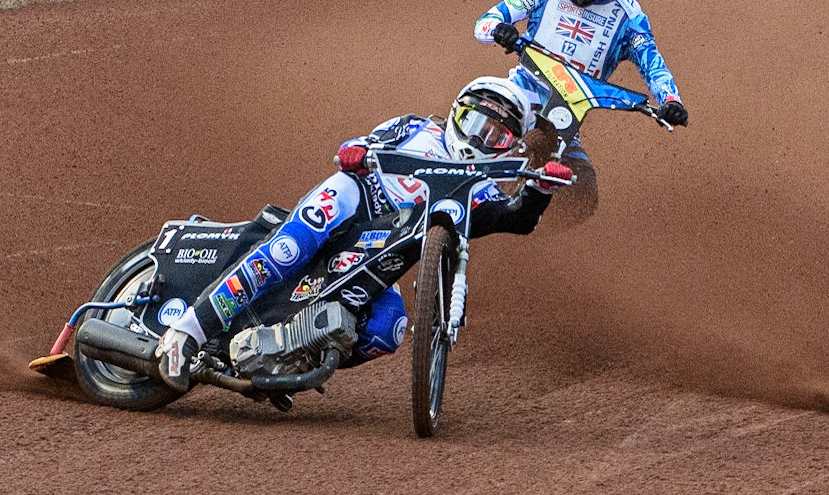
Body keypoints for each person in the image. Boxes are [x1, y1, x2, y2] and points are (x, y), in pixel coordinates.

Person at [155, 77, 572, 393]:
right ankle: (184, 333)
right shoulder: (414, 128)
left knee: (389, 327)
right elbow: (358, 145)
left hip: (379, 259)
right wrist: (352, 152)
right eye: (474, 121)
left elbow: (515, 218)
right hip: (354, 200)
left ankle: (293, 357)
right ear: (455, 113)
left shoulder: (483, 187)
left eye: (495, 134)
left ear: (510, 146)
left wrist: (540, 188)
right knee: (288, 249)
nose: (480, 137)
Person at [476, 0, 686, 226]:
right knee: (474, 143)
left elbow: (653, 65)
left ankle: (529, 241)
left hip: (564, 119)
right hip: (515, 97)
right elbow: (484, 22)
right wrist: (499, 30)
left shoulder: (628, 17)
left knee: (584, 194)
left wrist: (670, 101)